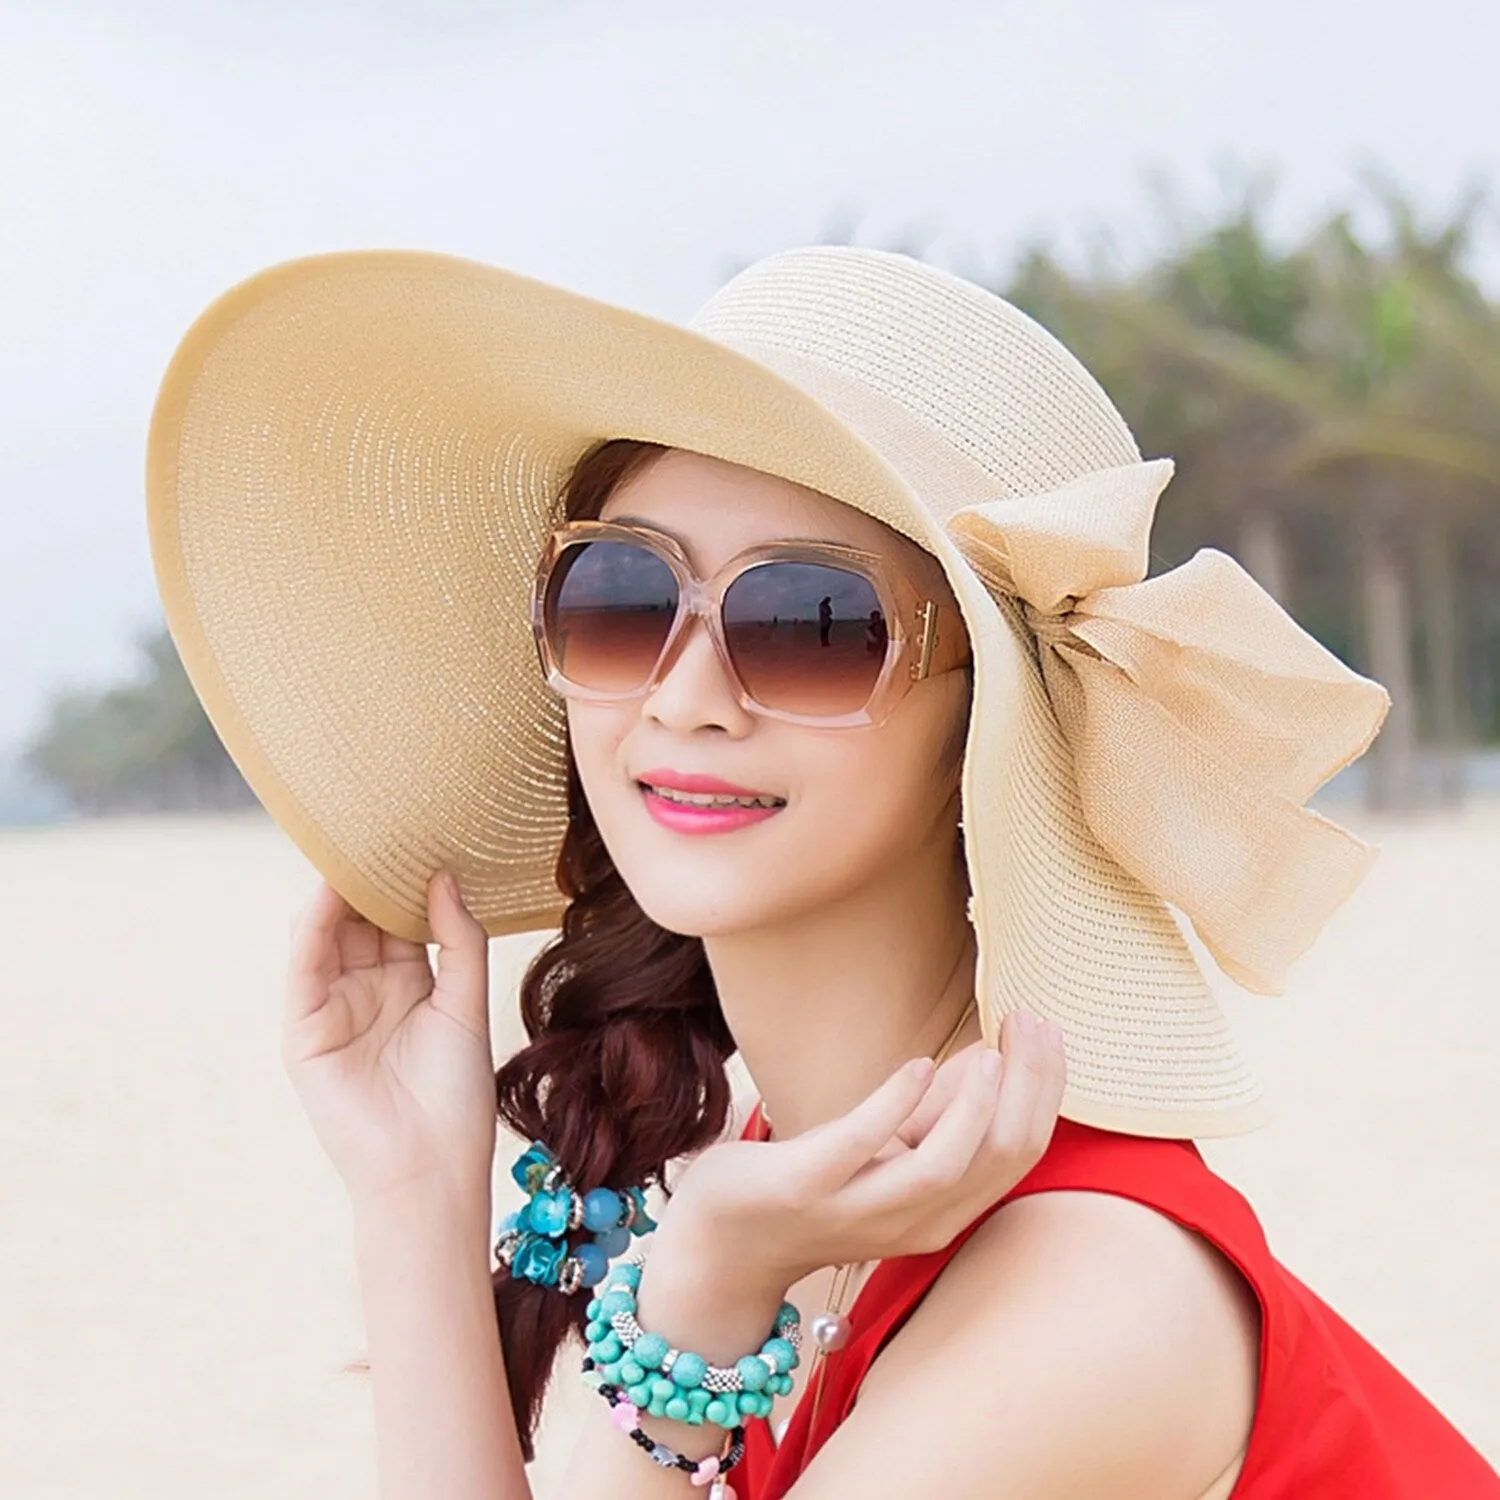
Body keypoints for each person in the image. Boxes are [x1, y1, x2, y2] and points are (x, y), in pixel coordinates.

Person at [145, 246, 1500, 1499]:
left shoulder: (1093, 1297)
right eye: (621, 600)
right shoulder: (794, 1184)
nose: (684, 696)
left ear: (983, 720)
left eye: (810, 625)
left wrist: (699, 1293)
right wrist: (407, 1201)